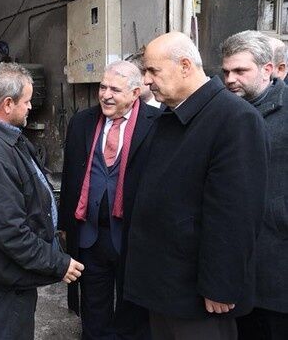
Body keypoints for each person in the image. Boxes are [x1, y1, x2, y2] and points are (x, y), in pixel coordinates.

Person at [124, 32, 268, 340]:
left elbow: (236, 215)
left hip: (199, 297)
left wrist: (221, 286)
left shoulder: (235, 118)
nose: (146, 80)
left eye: (153, 71)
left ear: (185, 66)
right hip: (165, 285)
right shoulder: (170, 115)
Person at [0, 62, 84, 339]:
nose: (30, 107)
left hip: (12, 271)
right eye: (26, 102)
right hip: (7, 275)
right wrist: (56, 263)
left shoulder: (3, 137)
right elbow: (9, 231)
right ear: (8, 104)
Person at [59, 61, 160, 339]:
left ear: (135, 93)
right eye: (103, 87)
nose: (105, 95)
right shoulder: (82, 122)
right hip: (90, 236)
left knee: (135, 311)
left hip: (133, 237)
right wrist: (66, 225)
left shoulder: (158, 123)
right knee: (94, 311)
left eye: (115, 89)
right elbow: (70, 176)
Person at [221, 30, 288, 340]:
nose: (230, 79)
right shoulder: (223, 112)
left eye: (240, 71)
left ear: (267, 69)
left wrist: (280, 214)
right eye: (226, 71)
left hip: (277, 260)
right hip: (234, 261)